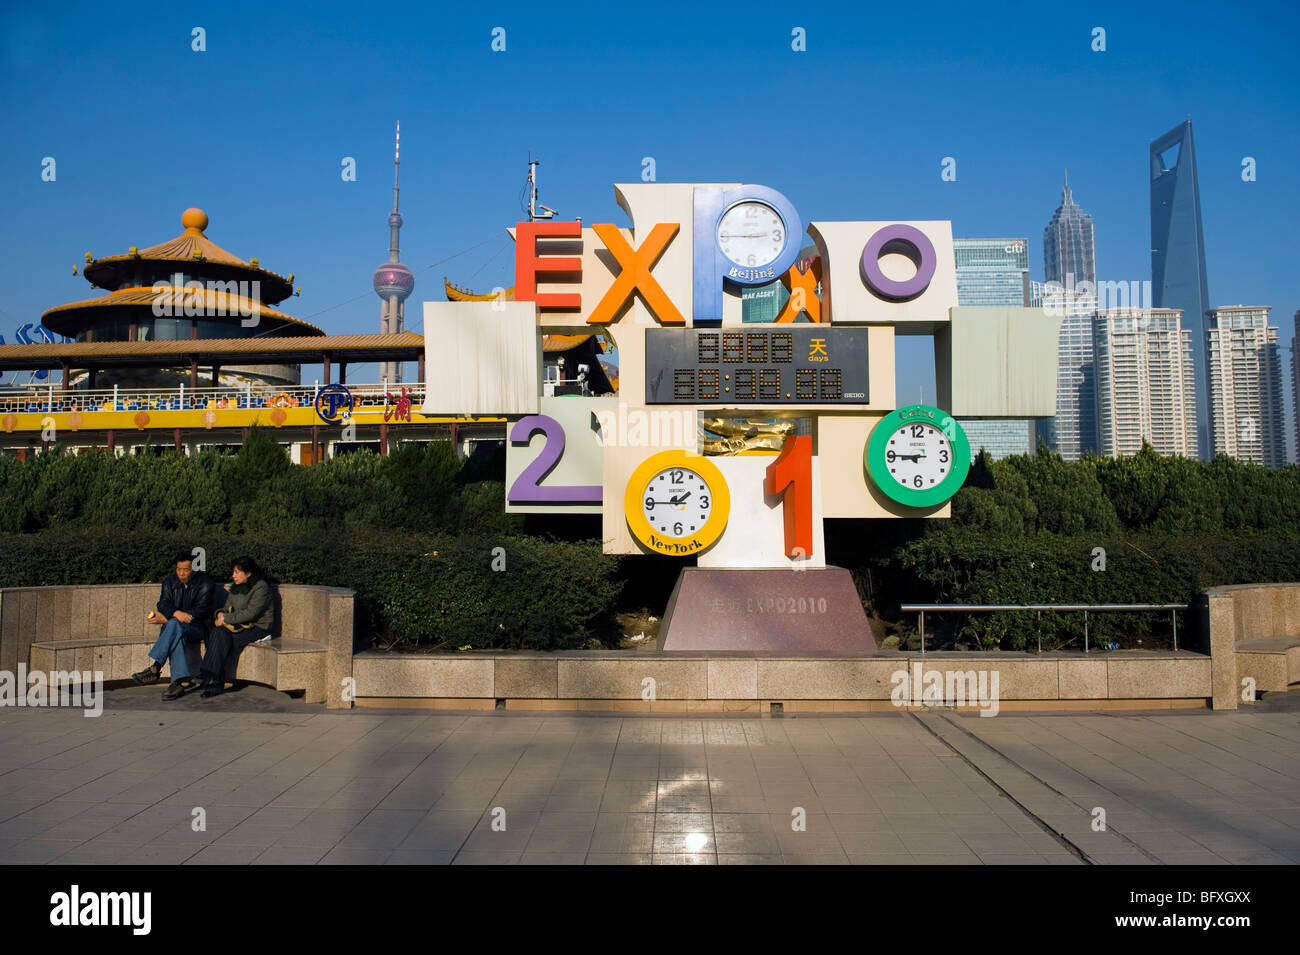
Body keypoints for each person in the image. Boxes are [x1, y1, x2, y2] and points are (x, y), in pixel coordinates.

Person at [131, 550, 216, 701]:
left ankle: (156, 667)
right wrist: (176, 613)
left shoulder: (205, 583)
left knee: (174, 625)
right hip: (177, 627)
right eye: (179, 569)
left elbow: (202, 610)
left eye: (186, 570)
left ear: (193, 569)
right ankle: (176, 684)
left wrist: (169, 618)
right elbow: (162, 603)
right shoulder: (169, 582)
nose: (182, 573)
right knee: (177, 632)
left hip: (198, 627)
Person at [199, 556, 274, 698]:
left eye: (237, 572)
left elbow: (251, 613)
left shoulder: (261, 587)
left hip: (257, 628)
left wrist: (225, 618)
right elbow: (227, 607)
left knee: (219, 636)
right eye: (233, 572)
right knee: (213, 630)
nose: (233, 576)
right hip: (237, 625)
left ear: (248, 573)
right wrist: (220, 613)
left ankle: (210, 676)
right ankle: (212, 678)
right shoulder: (236, 587)